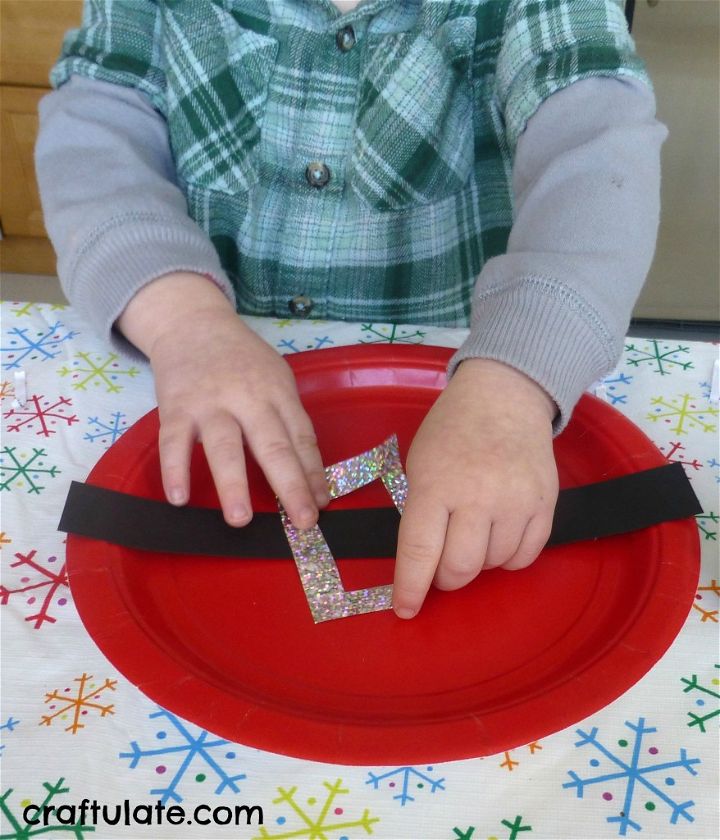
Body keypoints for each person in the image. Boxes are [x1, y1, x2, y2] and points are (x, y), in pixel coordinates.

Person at [35, 0, 666, 619]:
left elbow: (598, 150)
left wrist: (513, 389)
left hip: (471, 390)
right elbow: (96, 132)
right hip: (202, 362)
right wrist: (180, 320)